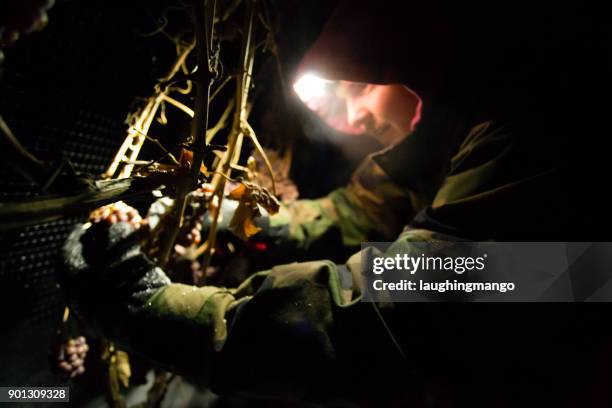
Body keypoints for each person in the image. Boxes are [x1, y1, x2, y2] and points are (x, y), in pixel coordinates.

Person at [63, 1, 612, 405]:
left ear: (413, 49)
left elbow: (392, 315)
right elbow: (355, 211)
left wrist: (145, 308)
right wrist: (244, 216)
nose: (353, 121)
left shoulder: (534, 137)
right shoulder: (436, 145)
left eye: (362, 86)